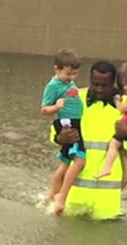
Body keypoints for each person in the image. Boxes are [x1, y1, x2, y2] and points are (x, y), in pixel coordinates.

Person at [52, 61, 127, 219]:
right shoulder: (74, 97)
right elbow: (55, 130)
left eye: (104, 85)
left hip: (107, 203)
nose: (99, 89)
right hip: (73, 198)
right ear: (89, 79)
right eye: (95, 83)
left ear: (114, 82)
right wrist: (60, 137)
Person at [40, 49, 86, 210]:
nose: (71, 78)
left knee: (66, 162)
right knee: (80, 159)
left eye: (75, 75)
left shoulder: (67, 83)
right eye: (68, 75)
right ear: (57, 69)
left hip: (75, 121)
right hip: (67, 124)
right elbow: (44, 109)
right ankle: (61, 196)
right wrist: (56, 107)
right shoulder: (53, 86)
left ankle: (51, 195)